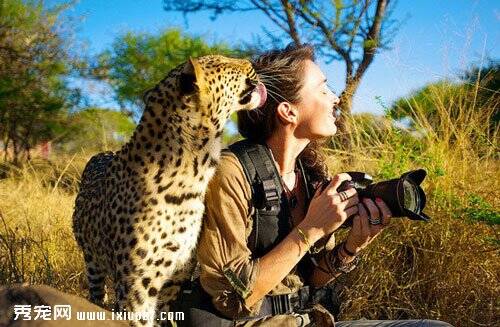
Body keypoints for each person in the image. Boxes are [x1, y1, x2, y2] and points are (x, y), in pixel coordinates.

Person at [181, 44, 452, 327]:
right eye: (323, 89)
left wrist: (351, 247)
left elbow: (313, 277)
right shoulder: (229, 172)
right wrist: (310, 229)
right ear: (288, 112)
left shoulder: (308, 174)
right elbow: (233, 298)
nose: (335, 98)